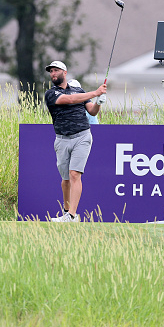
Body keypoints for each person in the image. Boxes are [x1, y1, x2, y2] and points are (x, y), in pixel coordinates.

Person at [44, 60, 107, 222]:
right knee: (65, 180)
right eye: (51, 71)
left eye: (56, 70)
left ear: (64, 73)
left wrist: (98, 103)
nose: (53, 74)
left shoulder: (79, 90)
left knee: (74, 174)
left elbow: (92, 112)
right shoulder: (51, 94)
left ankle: (72, 215)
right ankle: (66, 213)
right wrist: (95, 93)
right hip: (62, 139)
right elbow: (70, 100)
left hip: (82, 136)